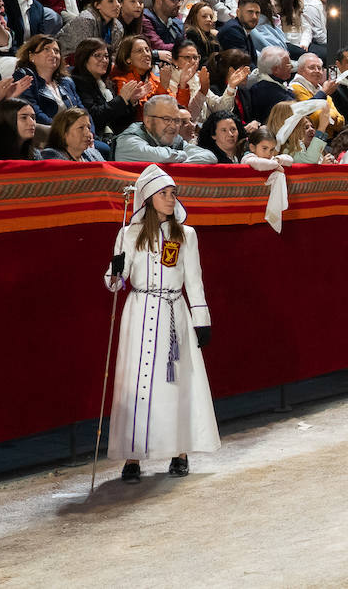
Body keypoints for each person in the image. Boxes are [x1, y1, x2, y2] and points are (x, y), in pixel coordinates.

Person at [105, 163, 219, 482]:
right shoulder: (128, 234)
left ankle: (179, 452)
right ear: (148, 198)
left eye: (173, 193)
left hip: (173, 313)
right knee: (136, 384)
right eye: (164, 194)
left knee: (174, 383)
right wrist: (116, 269)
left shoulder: (187, 235)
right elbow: (116, 284)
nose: (171, 199)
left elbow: (194, 281)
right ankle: (133, 457)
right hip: (140, 314)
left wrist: (202, 320)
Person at [71, 38, 142, 141]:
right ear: (84, 58)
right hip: (95, 138)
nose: (104, 60)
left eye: (106, 56)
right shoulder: (78, 82)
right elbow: (94, 117)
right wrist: (121, 99)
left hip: (114, 136)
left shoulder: (106, 83)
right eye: (97, 55)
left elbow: (119, 122)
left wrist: (130, 101)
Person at [13, 34, 83, 137]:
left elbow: (82, 110)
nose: (53, 54)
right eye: (46, 49)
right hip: (46, 135)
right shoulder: (25, 77)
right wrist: (65, 130)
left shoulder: (67, 81)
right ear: (31, 55)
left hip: (74, 133)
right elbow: (35, 113)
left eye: (56, 51)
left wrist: (89, 130)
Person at [112, 95, 216, 163]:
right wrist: (182, 156)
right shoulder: (128, 140)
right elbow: (160, 157)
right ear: (148, 121)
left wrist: (177, 161)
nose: (173, 126)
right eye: (166, 119)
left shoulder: (176, 141)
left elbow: (209, 157)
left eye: (176, 120)